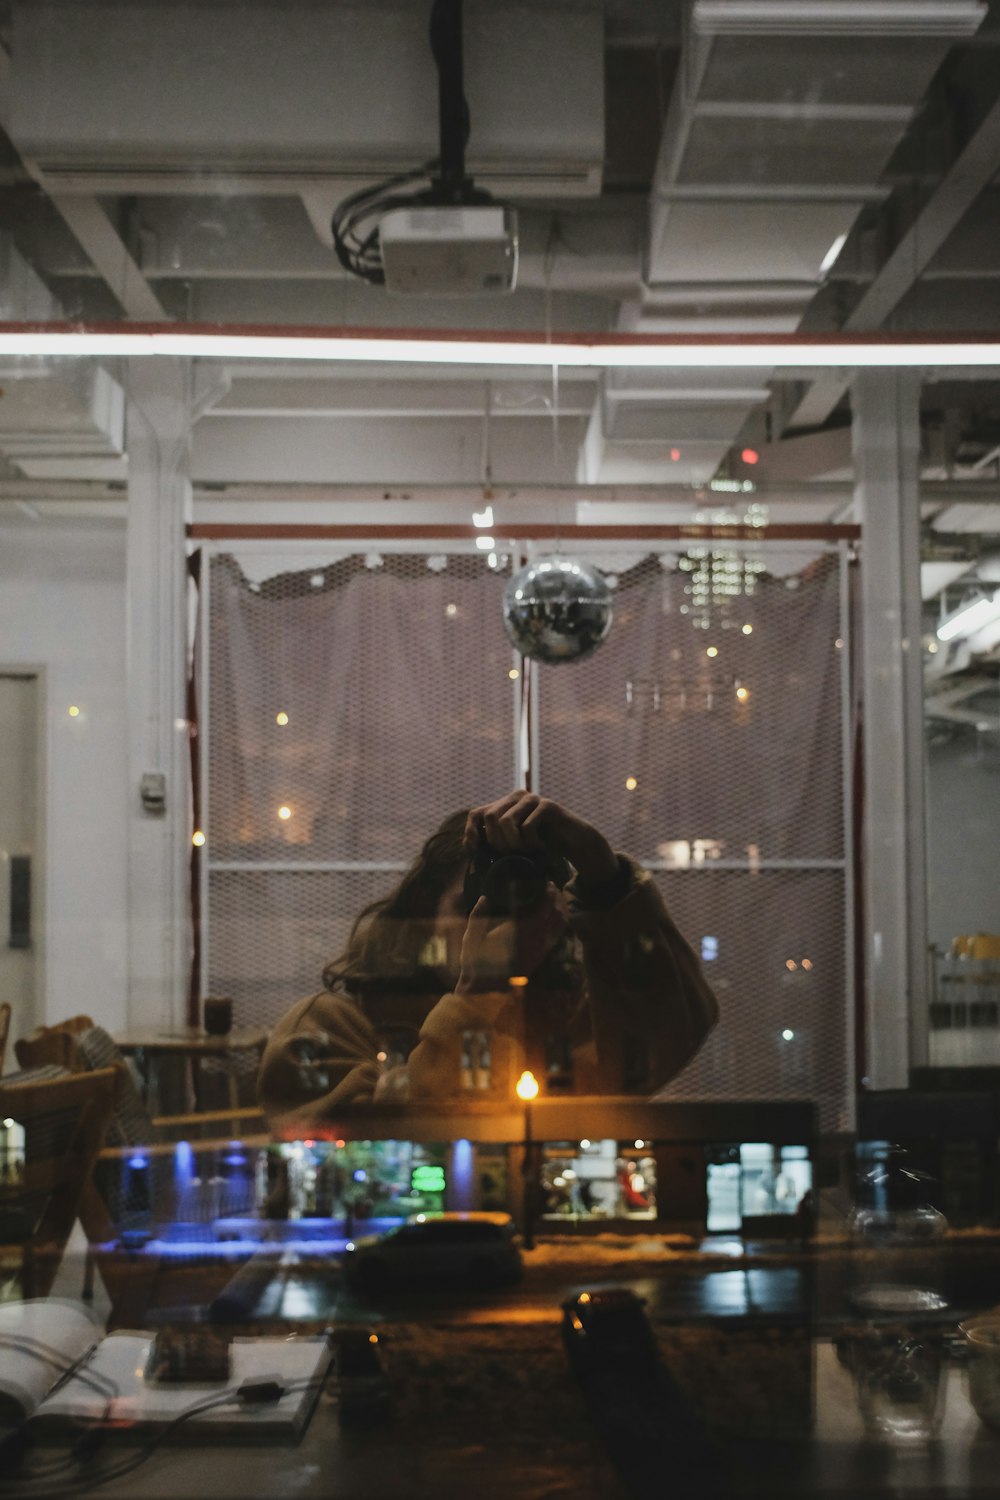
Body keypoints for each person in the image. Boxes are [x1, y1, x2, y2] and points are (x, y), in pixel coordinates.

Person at [258, 790, 719, 1134]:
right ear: (423, 913)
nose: (499, 929)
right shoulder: (327, 1027)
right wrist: (477, 996)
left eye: (521, 912)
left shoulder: (561, 1025)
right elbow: (392, 1156)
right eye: (471, 907)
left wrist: (604, 879)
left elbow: (670, 1033)